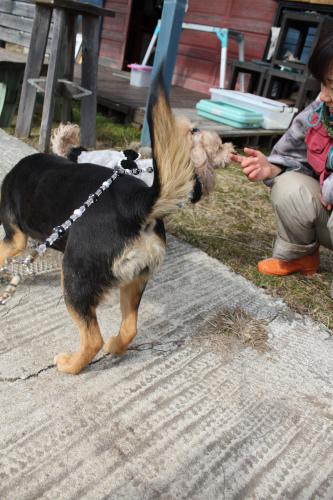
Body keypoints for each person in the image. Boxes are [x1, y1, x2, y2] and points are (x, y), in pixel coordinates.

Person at [231, 30, 333, 284]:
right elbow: (291, 154)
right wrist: (271, 168)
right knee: (288, 188)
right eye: (324, 82)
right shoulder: (319, 113)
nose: (324, 95)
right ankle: (302, 256)